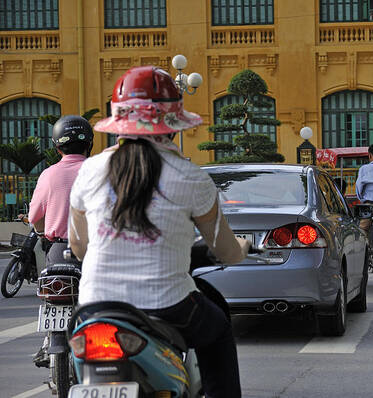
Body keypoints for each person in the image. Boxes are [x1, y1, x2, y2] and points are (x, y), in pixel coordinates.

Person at [68, 66, 250, 398]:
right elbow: (225, 251)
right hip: (168, 306)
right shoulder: (189, 176)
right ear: (171, 123)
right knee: (219, 332)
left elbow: (79, 246)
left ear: (119, 120)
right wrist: (243, 247)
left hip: (94, 305)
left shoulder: (90, 170)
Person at [27, 115, 93, 368]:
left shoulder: (48, 174)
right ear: (89, 144)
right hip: (93, 252)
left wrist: (43, 231)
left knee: (53, 297)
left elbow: (35, 217)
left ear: (57, 147)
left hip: (57, 250)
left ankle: (47, 343)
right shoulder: (100, 170)